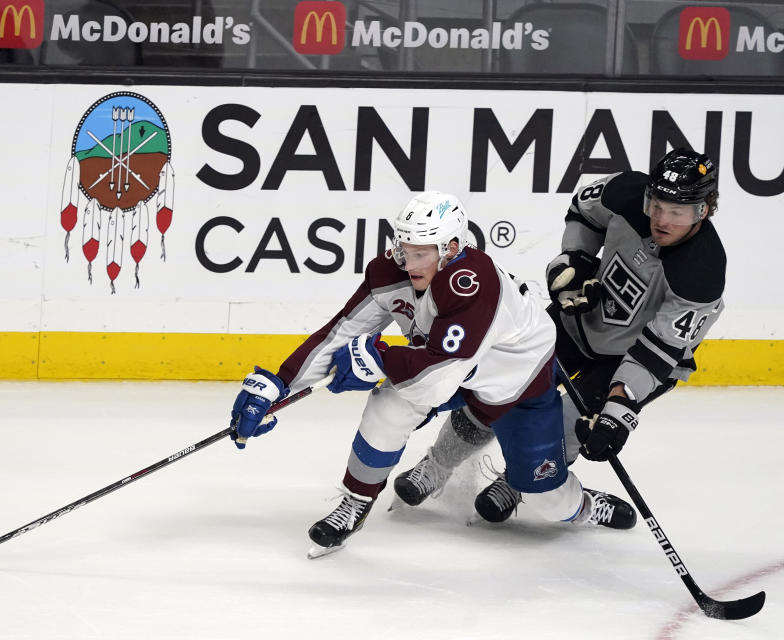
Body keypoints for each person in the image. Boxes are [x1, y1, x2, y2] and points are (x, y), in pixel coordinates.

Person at [228, 191, 636, 558]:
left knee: (547, 500)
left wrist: (380, 358)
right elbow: (343, 331)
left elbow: (439, 377)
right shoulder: (392, 271)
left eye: (421, 253)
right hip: (456, 369)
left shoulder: (472, 283)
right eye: (403, 249)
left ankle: (581, 506)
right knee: (388, 405)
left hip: (518, 381)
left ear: (452, 248)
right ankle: (356, 499)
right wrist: (277, 385)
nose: (408, 262)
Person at [394, 147, 726, 524]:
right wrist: (576, 261)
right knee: (498, 389)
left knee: (568, 425)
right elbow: (585, 212)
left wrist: (618, 412)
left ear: (704, 210)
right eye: (656, 205)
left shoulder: (704, 273)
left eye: (677, 212)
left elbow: (656, 353)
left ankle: (519, 483)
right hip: (578, 322)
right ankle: (436, 465)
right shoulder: (627, 192)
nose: (661, 219)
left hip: (632, 358)